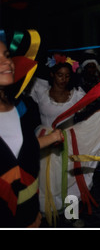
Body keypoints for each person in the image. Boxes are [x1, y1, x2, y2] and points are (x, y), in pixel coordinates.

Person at [28, 54, 100, 225]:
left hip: (69, 142)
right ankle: (46, 216)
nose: (63, 79)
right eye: (60, 75)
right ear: (52, 75)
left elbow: (93, 106)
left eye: (67, 76)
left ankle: (71, 215)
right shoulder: (39, 92)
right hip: (45, 142)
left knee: (71, 181)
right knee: (46, 181)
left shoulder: (76, 95)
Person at [0, 40, 63, 227]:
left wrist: (51, 138)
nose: (7, 62)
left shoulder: (17, 106)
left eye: (6, 55)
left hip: (28, 212)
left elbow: (19, 152)